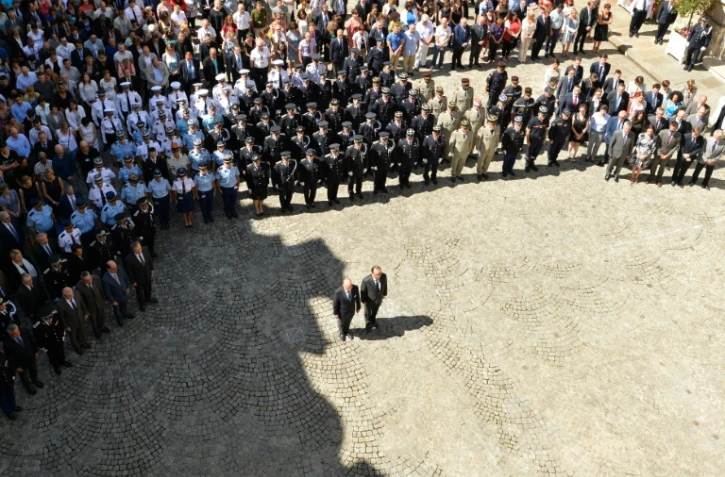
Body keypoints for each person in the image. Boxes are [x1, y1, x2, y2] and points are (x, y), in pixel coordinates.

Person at [3, 323, 43, 395]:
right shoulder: (7, 343)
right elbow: (9, 357)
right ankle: (28, 386)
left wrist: (36, 351)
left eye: (18, 332)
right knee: (24, 377)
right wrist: (16, 367)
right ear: (10, 334)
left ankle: (34, 380)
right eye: (15, 334)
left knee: (34, 370)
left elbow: (32, 341)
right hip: (20, 363)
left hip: (31, 357)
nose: (18, 334)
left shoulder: (24, 331)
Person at [32, 306, 71, 376]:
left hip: (58, 339)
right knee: (53, 357)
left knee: (61, 351)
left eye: (50, 317)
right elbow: (38, 339)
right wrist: (44, 348)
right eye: (47, 318)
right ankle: (56, 367)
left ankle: (62, 361)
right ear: (42, 318)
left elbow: (61, 325)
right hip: (49, 345)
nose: (50, 319)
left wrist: (62, 335)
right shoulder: (37, 326)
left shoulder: (55, 315)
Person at [124, 241, 157, 313]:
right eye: (138, 250)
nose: (140, 250)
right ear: (133, 250)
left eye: (140, 248)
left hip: (147, 274)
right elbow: (129, 272)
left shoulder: (145, 249)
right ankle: (141, 304)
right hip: (138, 279)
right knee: (139, 292)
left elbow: (149, 259)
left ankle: (148, 298)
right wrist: (132, 281)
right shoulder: (129, 259)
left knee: (148, 287)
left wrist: (152, 268)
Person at [648, 119, 681, 187]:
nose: (672, 129)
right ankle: (651, 177)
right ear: (669, 126)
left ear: (676, 128)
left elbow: (676, 147)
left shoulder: (678, 135)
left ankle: (659, 179)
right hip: (658, 153)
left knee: (662, 168)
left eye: (674, 129)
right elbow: (657, 143)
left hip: (667, 155)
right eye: (671, 127)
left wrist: (667, 155)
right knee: (654, 166)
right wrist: (660, 153)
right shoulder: (662, 132)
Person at [57, 286, 91, 355]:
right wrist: (66, 326)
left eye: (72, 294)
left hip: (80, 319)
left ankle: (83, 343)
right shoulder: (60, 304)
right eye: (69, 296)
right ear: (64, 296)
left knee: (82, 331)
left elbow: (82, 303)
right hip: (71, 324)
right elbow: (61, 317)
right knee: (73, 337)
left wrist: (86, 312)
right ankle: (77, 347)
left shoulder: (77, 294)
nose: (72, 296)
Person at [76, 271, 108, 340]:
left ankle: (102, 327)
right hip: (90, 308)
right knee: (94, 321)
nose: (90, 280)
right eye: (87, 280)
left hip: (100, 302)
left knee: (101, 315)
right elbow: (81, 301)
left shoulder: (96, 278)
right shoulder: (79, 287)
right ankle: (97, 332)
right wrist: (86, 311)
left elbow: (101, 288)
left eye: (90, 278)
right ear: (82, 280)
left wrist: (105, 298)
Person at [102, 261, 133, 327]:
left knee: (124, 305)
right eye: (113, 268)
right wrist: (113, 301)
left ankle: (125, 313)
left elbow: (125, 278)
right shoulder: (105, 279)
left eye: (116, 267)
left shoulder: (120, 269)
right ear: (108, 269)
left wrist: (127, 287)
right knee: (117, 310)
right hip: (116, 298)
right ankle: (119, 319)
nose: (116, 269)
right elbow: (107, 292)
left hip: (124, 293)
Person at [332, 277, 360, 342]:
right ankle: (342, 333)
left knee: (348, 322)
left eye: (351, 287)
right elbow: (335, 304)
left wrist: (358, 306)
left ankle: (347, 331)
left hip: (351, 310)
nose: (350, 289)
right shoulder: (338, 292)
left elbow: (357, 297)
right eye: (348, 288)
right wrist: (335, 313)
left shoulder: (355, 288)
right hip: (342, 312)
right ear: (343, 285)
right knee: (341, 323)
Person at [360, 266, 387, 332]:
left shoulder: (383, 276)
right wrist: (363, 300)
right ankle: (368, 323)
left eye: (380, 274)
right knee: (367, 313)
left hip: (379, 299)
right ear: (372, 273)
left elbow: (385, 285)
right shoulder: (366, 280)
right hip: (369, 301)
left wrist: (384, 294)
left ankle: (373, 319)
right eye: (377, 275)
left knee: (375, 310)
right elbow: (363, 291)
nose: (379, 276)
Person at [476, 114, 500, 180]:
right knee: (480, 161)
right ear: (488, 123)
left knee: (488, 161)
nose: (494, 126)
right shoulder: (483, 129)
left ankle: (484, 171)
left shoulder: (497, 128)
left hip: (491, 149)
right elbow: (478, 139)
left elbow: (497, 138)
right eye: (492, 124)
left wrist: (496, 146)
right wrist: (478, 149)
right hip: (483, 149)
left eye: (495, 124)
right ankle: (479, 172)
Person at [0, 349, 21, 419]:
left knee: (11, 393)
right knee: (3, 399)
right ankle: (8, 412)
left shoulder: (1, 352)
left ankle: (13, 406)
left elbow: (8, 362)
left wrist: (12, 375)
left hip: (8, 379)